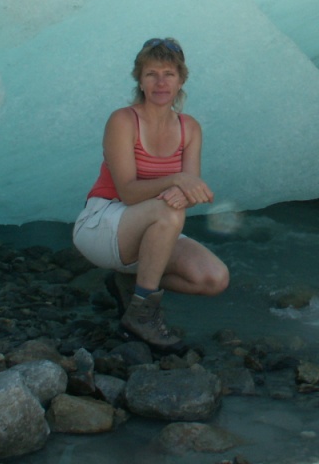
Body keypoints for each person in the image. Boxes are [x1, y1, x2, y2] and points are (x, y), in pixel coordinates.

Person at [73, 37, 229, 352]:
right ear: (139, 80)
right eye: (151, 74)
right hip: (104, 222)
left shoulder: (190, 129)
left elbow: (188, 190)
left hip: (153, 229)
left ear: (181, 79)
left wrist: (185, 188)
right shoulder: (123, 120)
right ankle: (142, 313)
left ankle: (130, 283)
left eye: (168, 74)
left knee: (214, 278)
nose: (160, 82)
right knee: (167, 211)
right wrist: (179, 181)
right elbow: (129, 192)